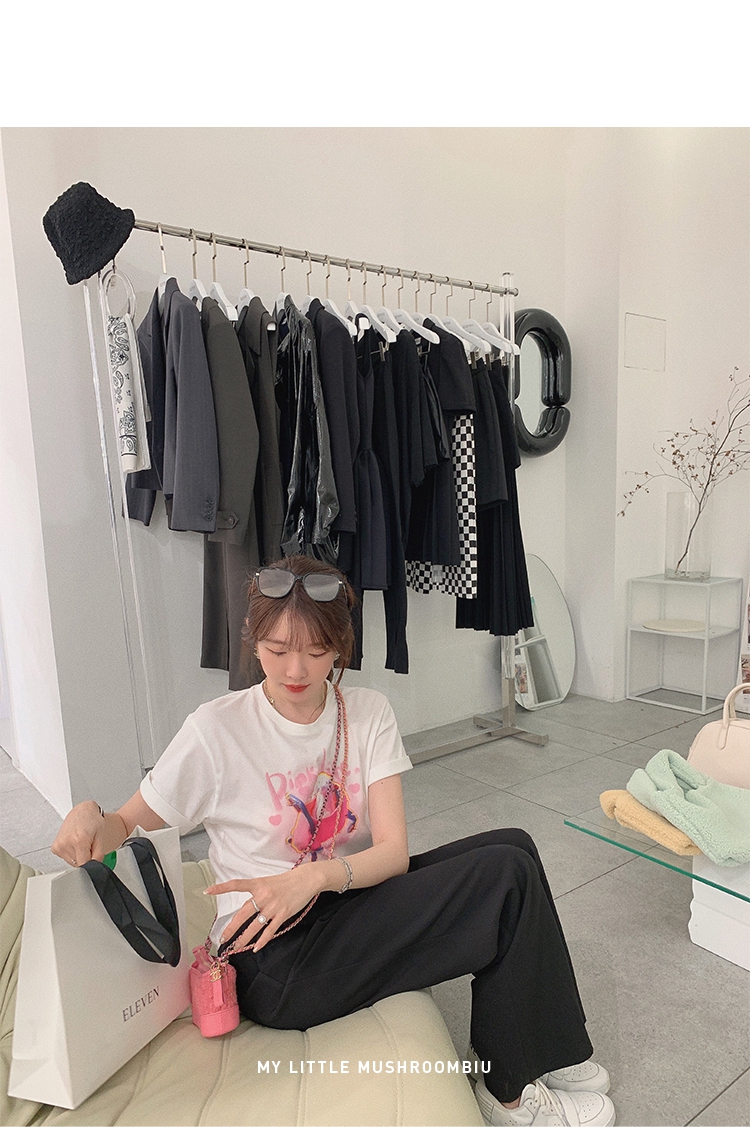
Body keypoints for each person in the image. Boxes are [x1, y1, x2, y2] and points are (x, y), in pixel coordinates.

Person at [52, 555, 616, 1127]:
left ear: (341, 646)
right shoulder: (216, 729)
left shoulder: (367, 712)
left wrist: (315, 876)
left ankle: (541, 1049)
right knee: (506, 879)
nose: (296, 669)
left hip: (339, 902)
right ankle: (509, 1096)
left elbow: (392, 853)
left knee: (516, 846)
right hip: (271, 957)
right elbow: (126, 823)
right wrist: (90, 814)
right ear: (253, 641)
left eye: (317, 650)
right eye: (277, 649)